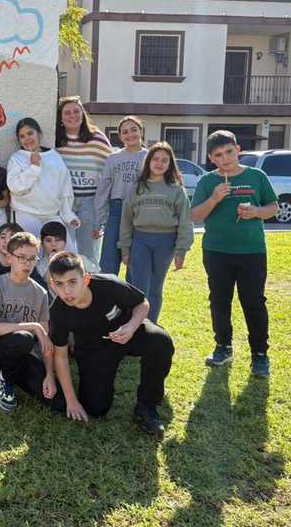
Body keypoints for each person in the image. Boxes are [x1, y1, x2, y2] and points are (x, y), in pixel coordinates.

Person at [47, 251, 175, 435]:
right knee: (96, 408)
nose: (67, 291)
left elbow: (142, 303)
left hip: (128, 332)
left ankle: (146, 406)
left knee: (160, 341)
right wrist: (71, 400)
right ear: (53, 285)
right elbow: (60, 356)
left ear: (86, 279)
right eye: (60, 284)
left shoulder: (109, 284)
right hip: (94, 349)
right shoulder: (58, 311)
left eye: (72, 282)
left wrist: (131, 327)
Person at [191, 130, 278, 377]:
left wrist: (256, 211)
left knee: (254, 302)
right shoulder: (207, 181)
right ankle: (223, 347)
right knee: (219, 300)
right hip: (217, 250)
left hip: (252, 250)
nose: (225, 158)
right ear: (211, 158)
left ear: (237, 150)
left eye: (229, 152)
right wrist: (214, 199)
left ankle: (259, 354)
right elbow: (194, 216)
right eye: (219, 155)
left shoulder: (257, 176)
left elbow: (273, 207)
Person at [119, 142, 194, 324]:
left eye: (164, 160)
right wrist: (125, 248)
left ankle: (151, 327)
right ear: (148, 161)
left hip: (166, 242)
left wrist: (181, 251)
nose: (159, 163)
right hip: (140, 240)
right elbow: (126, 220)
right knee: (139, 288)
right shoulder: (137, 188)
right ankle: (137, 326)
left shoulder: (176, 190)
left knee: (155, 288)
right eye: (155, 159)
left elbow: (185, 221)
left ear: (170, 164)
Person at [0, 232, 55, 412]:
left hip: (24, 353)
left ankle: (15, 372)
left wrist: (49, 376)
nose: (27, 263)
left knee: (56, 402)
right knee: (23, 337)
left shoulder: (41, 293)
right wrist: (33, 326)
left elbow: (45, 342)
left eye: (32, 258)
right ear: (9, 258)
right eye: (21, 257)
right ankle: (5, 380)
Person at [55, 96, 113, 266]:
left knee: (89, 251)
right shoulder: (55, 140)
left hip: (90, 202)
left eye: (76, 111)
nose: (72, 116)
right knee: (65, 250)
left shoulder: (97, 138)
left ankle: (91, 280)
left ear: (83, 114)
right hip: (63, 202)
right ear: (60, 118)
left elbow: (112, 167)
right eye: (67, 113)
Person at [7, 118, 79, 252]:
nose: (27, 139)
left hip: (51, 215)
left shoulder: (54, 156)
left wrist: (68, 214)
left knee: (69, 254)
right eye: (22, 136)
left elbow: (64, 187)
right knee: (33, 254)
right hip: (26, 213)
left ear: (38, 133)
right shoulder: (17, 158)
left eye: (30, 133)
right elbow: (15, 187)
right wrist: (34, 167)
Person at [93, 117, 148, 277]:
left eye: (134, 130)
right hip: (117, 210)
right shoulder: (113, 158)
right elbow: (103, 190)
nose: (130, 134)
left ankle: (133, 293)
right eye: (125, 132)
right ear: (120, 136)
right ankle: (109, 292)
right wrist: (97, 222)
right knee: (108, 262)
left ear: (141, 131)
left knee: (136, 262)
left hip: (141, 211)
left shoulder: (151, 157)